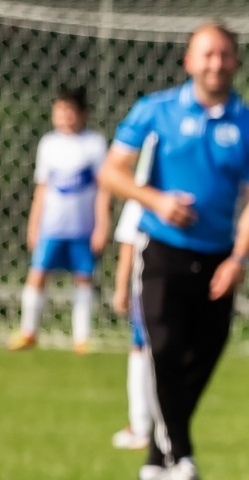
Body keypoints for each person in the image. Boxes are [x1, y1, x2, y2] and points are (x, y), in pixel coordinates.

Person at [97, 21, 249, 480]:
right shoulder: (154, 111)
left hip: (219, 260)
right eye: (206, 54)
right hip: (161, 253)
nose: (215, 62)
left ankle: (157, 462)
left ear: (235, 61)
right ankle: (184, 462)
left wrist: (238, 259)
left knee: (203, 358)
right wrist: (155, 201)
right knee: (165, 352)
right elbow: (112, 171)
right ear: (189, 61)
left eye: (224, 54)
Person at [9, 86, 109, 355]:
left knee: (84, 278)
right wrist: (34, 224)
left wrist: (102, 225)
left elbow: (103, 190)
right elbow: (41, 189)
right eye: (60, 111)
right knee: (38, 274)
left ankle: (81, 338)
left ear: (83, 114)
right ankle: (29, 331)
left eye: (70, 111)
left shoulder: (94, 144)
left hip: (82, 228)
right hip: (52, 226)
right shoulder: (48, 144)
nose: (65, 117)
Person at [109, 134, 158, 452]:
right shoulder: (144, 197)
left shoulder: (144, 196)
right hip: (146, 286)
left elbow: (128, 244)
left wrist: (121, 287)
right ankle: (144, 424)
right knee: (147, 349)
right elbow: (129, 243)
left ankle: (142, 426)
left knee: (145, 351)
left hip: (151, 285)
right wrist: (121, 287)